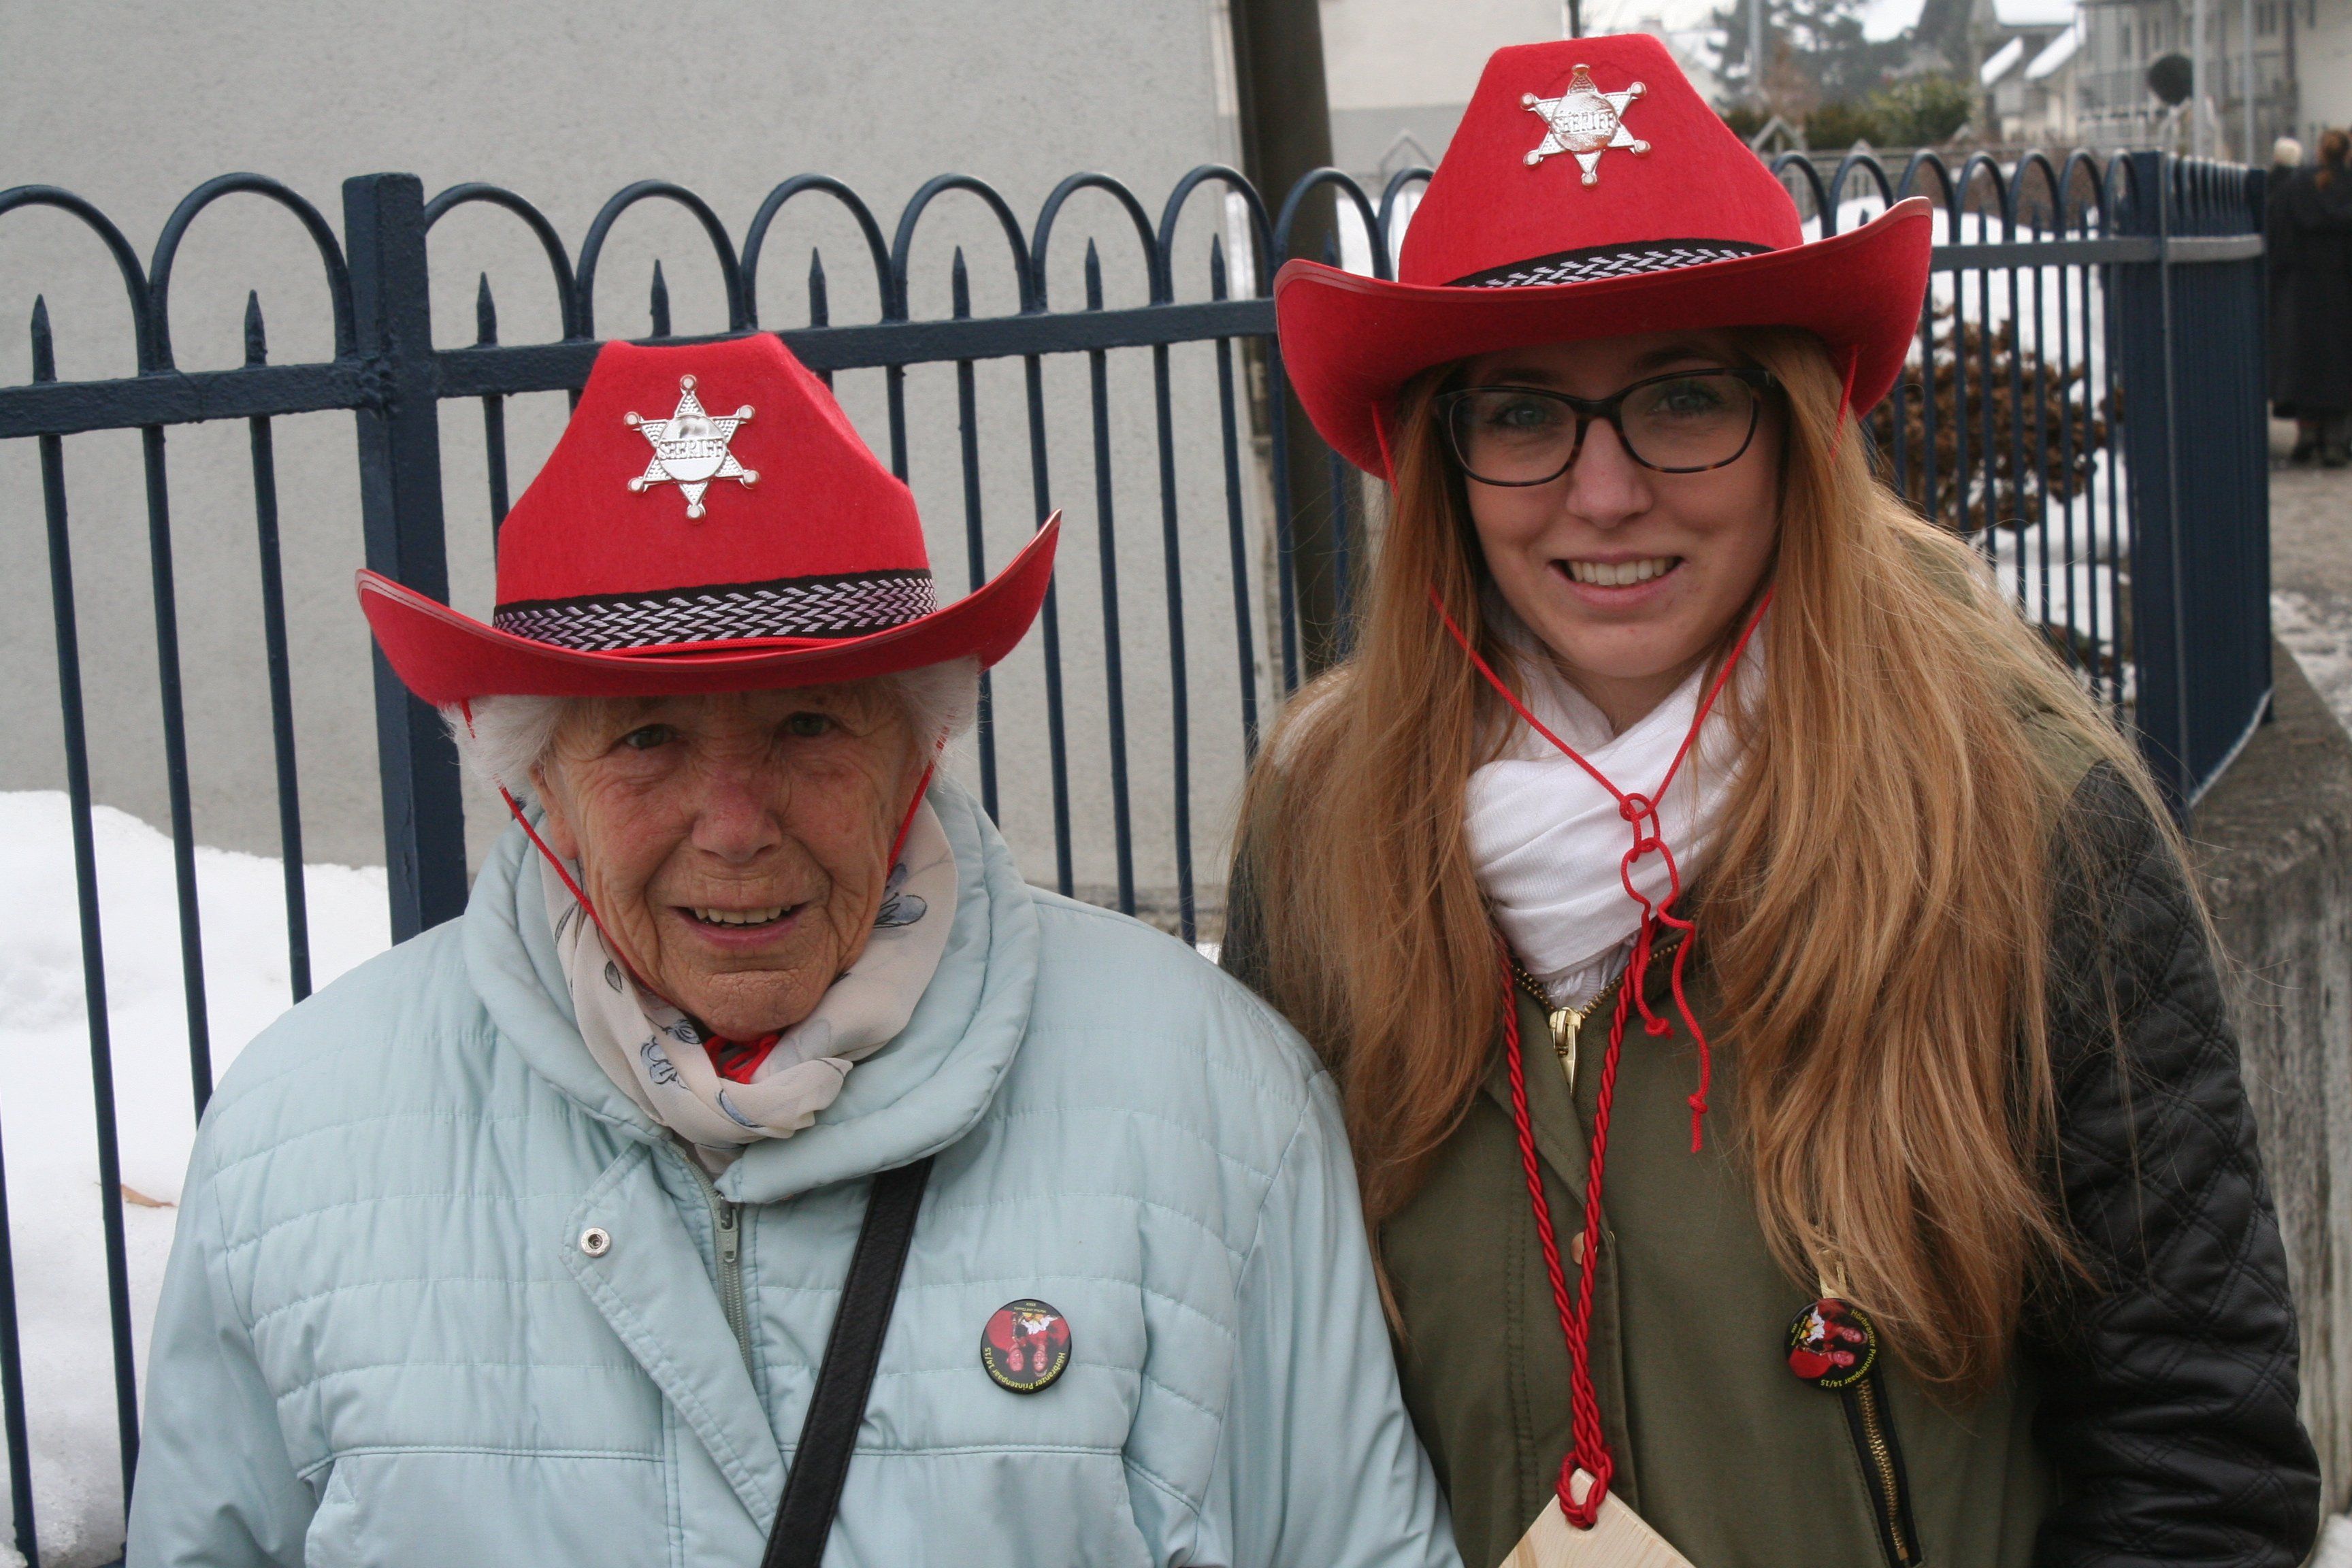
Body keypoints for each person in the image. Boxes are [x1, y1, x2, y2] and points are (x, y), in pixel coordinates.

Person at [1223, 35, 2321, 1568]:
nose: (1606, 492)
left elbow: (2196, 1452)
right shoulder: (1323, 830)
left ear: (1797, 426)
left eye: (1682, 398)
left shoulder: (2025, 822)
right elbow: (1265, 1392)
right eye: (1523, 413)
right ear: (1442, 462)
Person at [126, 334, 1458, 1567]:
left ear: (919, 745)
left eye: (810, 724)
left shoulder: (1216, 1102)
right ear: (537, 786)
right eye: (647, 738)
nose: (735, 826)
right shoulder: (292, 1139)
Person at [2270, 128, 2352, 465]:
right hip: (2343, 288)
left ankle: (2307, 433)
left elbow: (2277, 232)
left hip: (2302, 290)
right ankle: (2335, 440)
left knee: (2305, 362)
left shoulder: (2297, 186)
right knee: (2341, 364)